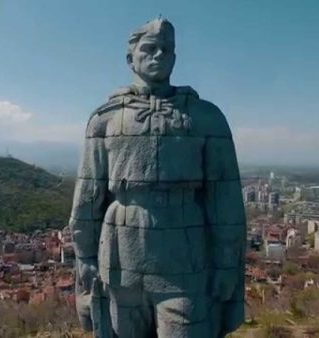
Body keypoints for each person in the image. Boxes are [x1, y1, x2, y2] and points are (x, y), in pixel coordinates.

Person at [69, 17, 246, 338]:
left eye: (167, 49)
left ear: (175, 58)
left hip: (185, 255)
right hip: (120, 253)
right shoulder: (105, 119)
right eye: (149, 48)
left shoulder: (206, 118)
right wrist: (85, 256)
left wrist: (226, 263)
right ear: (130, 58)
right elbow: (88, 196)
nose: (159, 55)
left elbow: (226, 201)